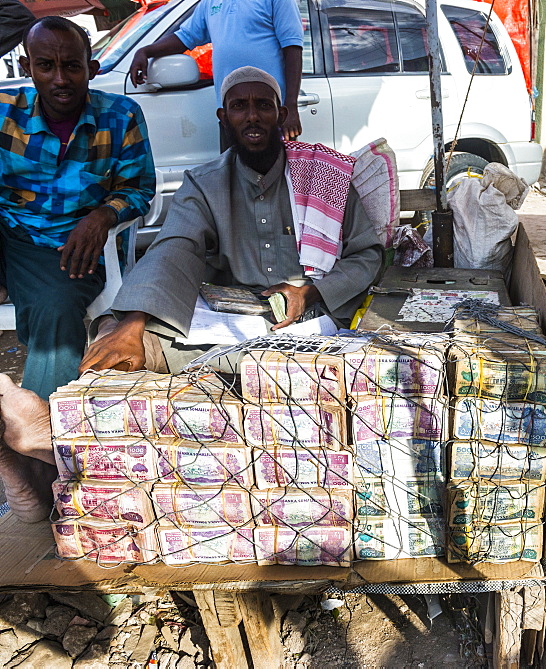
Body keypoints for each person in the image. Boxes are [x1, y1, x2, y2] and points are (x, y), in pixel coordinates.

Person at [0, 67, 382, 523]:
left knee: (296, 367)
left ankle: (56, 449)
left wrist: (311, 289)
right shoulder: (206, 182)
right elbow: (175, 247)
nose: (252, 116)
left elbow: (367, 256)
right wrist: (132, 325)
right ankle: (60, 457)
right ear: (224, 117)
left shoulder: (327, 176)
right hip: (240, 318)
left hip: (317, 322)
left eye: (263, 105)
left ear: (282, 113)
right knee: (119, 342)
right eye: (240, 106)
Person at [0, 17, 155, 400]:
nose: (60, 79)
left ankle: (46, 426)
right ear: (27, 68)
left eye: (71, 66)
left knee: (56, 307)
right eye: (45, 66)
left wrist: (103, 216)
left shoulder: (121, 116)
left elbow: (139, 189)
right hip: (9, 233)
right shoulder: (5, 112)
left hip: (68, 246)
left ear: (92, 68)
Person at [127, 0, 304, 140]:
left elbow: (292, 48)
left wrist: (290, 106)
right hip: (232, 113)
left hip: (269, 111)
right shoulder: (210, 3)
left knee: (277, 178)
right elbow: (185, 37)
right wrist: (145, 51)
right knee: (234, 179)